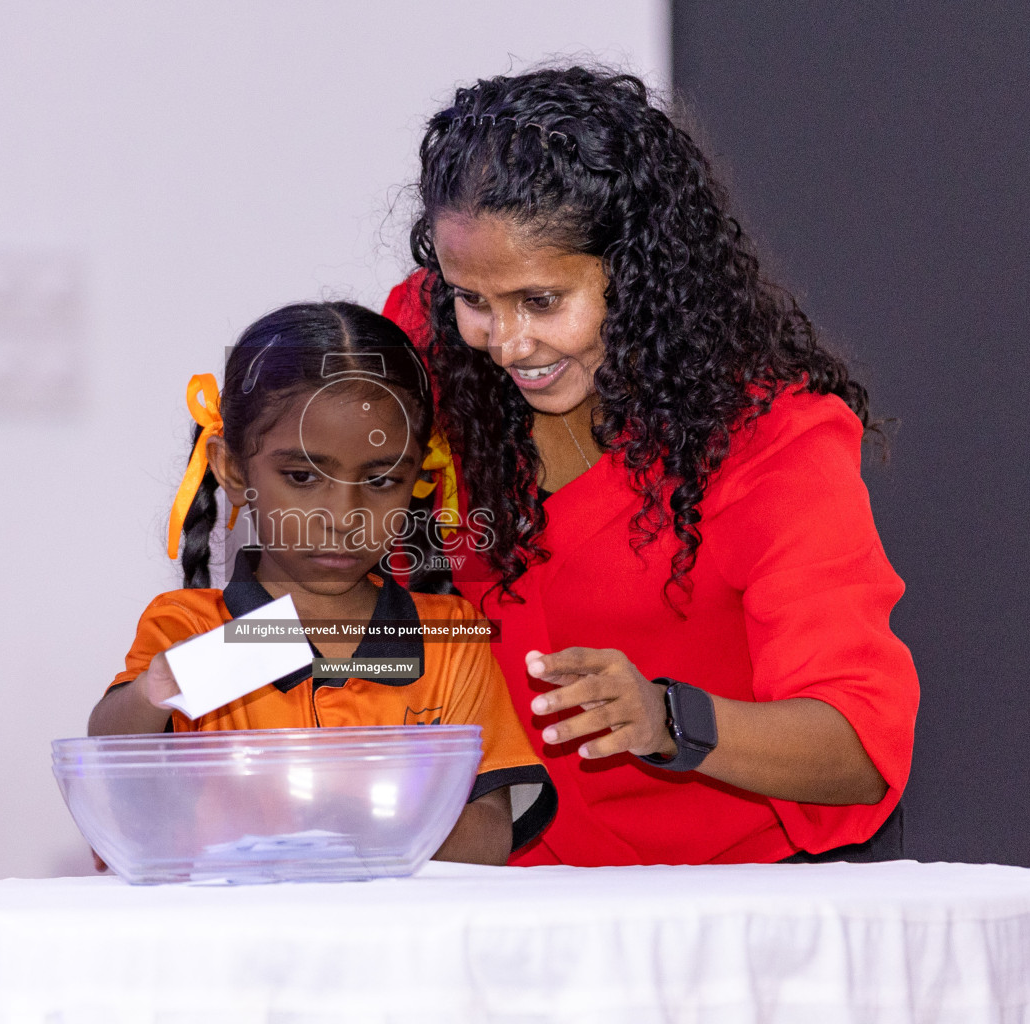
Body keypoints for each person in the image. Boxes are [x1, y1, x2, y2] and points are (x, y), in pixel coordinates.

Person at [381, 65, 919, 865]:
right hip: (486, 906)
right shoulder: (422, 349)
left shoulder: (775, 440)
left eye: (542, 301)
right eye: (473, 300)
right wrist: (186, 681)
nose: (506, 342)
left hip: (703, 919)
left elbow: (859, 752)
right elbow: (327, 587)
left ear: (635, 277)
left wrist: (670, 719)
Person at [89, 301, 555, 865]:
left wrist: (327, 816)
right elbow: (110, 759)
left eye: (382, 479)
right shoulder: (188, 627)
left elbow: (485, 837)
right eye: (303, 476)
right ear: (233, 470)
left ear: (420, 480)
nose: (343, 514)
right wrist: (156, 689)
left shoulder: (451, 639)